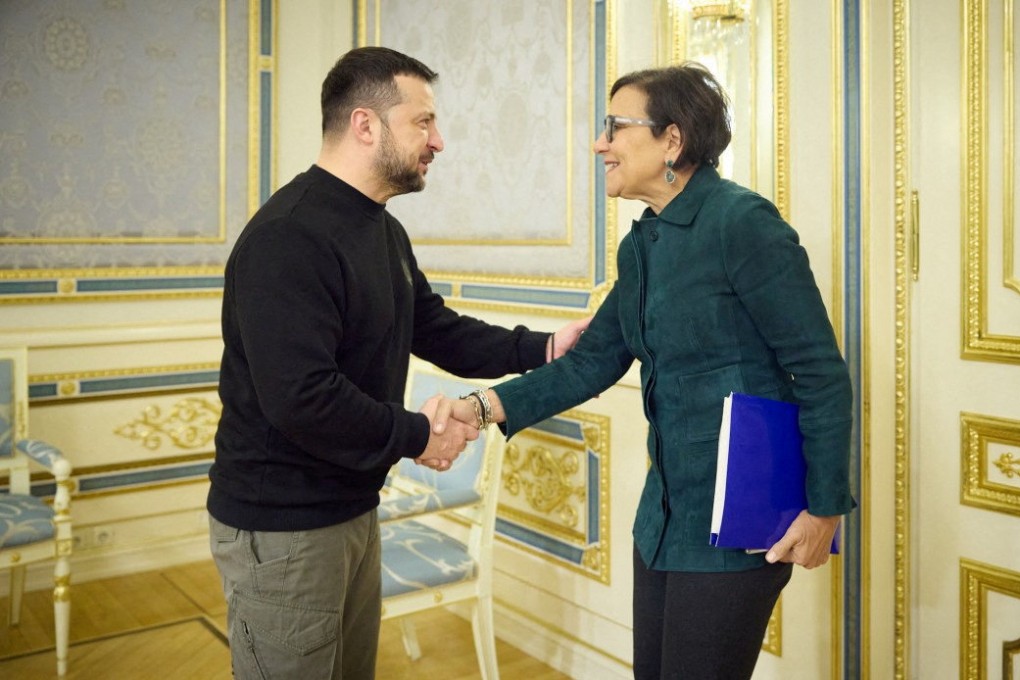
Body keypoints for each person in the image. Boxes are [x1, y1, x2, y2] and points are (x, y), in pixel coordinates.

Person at [435, 62, 855, 680]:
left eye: (615, 126)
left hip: (735, 523)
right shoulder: (642, 245)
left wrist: (823, 511)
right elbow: (591, 363)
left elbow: (820, 373)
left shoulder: (742, 224)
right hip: (661, 519)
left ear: (672, 141)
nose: (600, 144)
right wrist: (478, 409)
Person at [206, 46, 589, 680]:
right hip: (283, 530)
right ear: (365, 124)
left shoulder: (380, 227)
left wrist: (542, 348)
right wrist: (420, 436)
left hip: (352, 507)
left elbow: (433, 327)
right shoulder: (288, 236)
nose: (439, 141)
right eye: (423, 122)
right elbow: (303, 397)